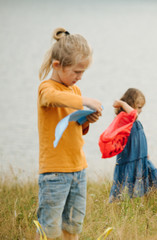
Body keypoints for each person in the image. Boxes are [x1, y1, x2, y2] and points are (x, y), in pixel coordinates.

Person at [36, 27, 102, 240]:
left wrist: (85, 121)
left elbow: (71, 126)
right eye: (76, 72)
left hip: (78, 169)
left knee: (73, 226)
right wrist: (84, 101)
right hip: (55, 172)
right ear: (57, 65)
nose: (80, 77)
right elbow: (52, 99)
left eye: (83, 72)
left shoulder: (74, 91)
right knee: (48, 228)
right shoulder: (46, 89)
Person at [109, 88, 157, 202]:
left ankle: (150, 205)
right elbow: (133, 115)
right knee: (125, 188)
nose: (140, 111)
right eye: (139, 107)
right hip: (130, 159)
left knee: (152, 182)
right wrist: (122, 103)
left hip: (141, 157)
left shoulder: (134, 120)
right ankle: (120, 206)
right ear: (128, 105)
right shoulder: (125, 119)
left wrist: (145, 153)